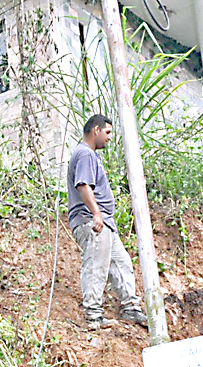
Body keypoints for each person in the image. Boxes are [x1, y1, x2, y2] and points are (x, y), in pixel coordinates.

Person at [66, 114, 149, 330]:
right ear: (96, 130)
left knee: (121, 264)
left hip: (105, 224)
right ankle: (93, 316)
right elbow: (83, 185)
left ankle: (131, 308)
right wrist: (96, 214)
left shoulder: (91, 155)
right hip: (92, 221)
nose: (109, 137)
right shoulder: (85, 154)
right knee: (97, 265)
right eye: (108, 132)